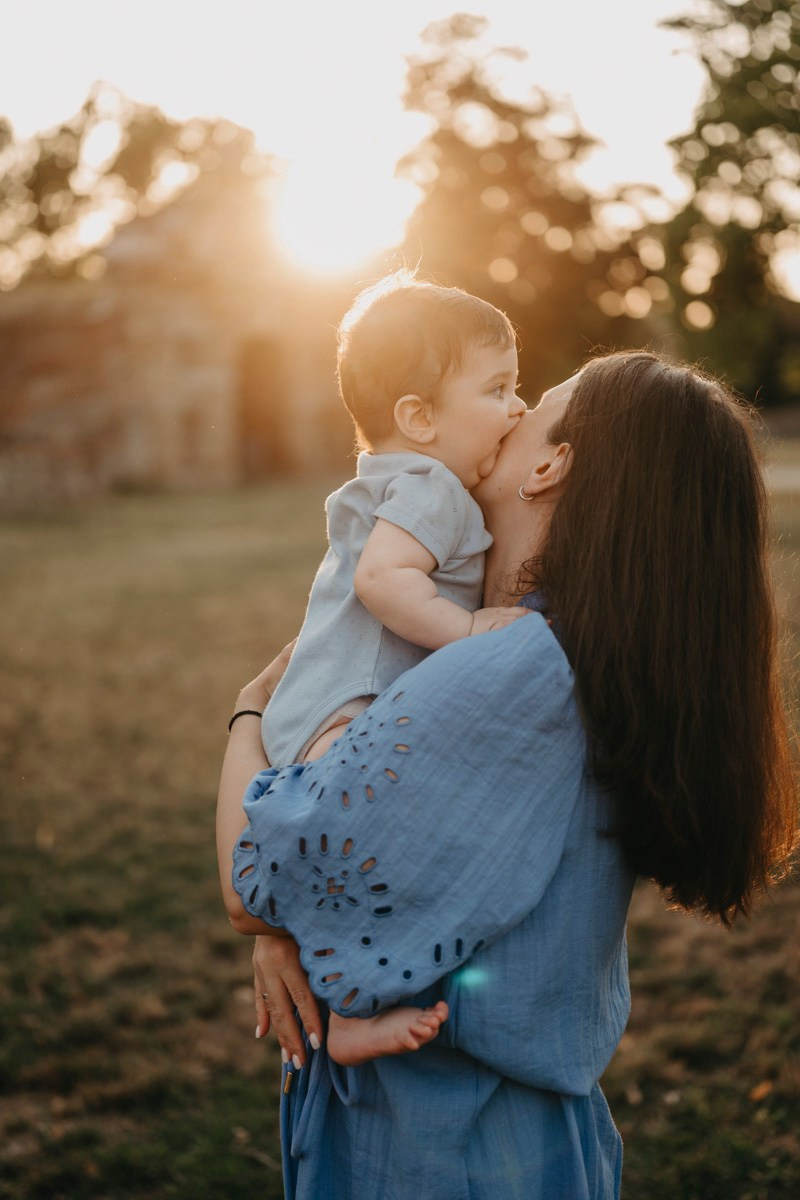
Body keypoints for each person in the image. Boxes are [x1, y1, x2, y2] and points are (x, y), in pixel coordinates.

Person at [217, 350, 797, 1200]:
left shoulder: (512, 670)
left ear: (551, 464)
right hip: (509, 1140)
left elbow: (255, 882)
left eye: (530, 405)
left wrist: (245, 716)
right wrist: (292, 928)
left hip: (441, 1151)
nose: (510, 411)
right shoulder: (580, 656)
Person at [258, 271, 529, 1064]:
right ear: (419, 417)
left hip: (311, 713)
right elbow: (384, 583)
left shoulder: (396, 478)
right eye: (500, 388)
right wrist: (471, 626)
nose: (519, 407)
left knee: (349, 869)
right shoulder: (431, 484)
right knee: (362, 858)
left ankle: (344, 1007)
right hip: (349, 710)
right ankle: (348, 1012)